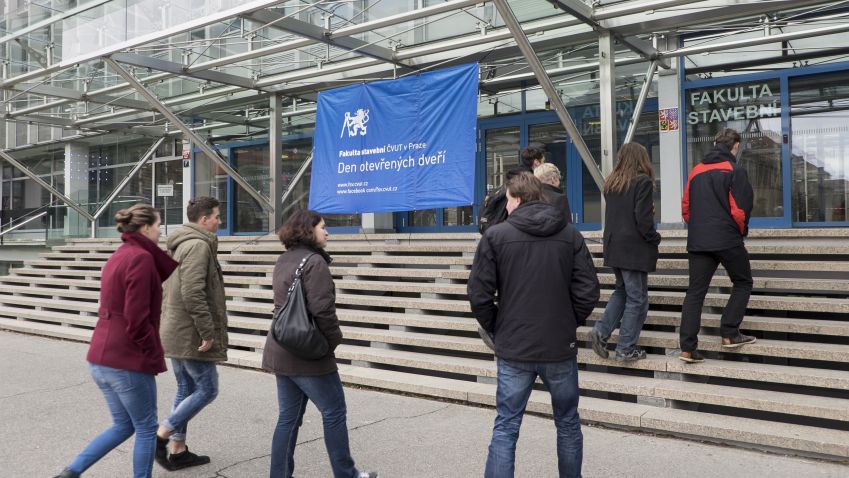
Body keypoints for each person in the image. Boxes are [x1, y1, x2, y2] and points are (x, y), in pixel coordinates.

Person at [467, 172, 600, 478]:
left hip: (515, 346)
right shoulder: (570, 235)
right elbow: (588, 290)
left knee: (506, 426)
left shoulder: (496, 236)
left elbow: (478, 293)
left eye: (509, 201)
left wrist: (497, 327)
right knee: (567, 423)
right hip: (558, 346)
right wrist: (569, 320)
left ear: (518, 199)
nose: (507, 207)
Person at [53, 205, 178, 478]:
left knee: (123, 425)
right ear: (145, 228)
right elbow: (136, 319)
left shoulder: (120, 255)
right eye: (158, 225)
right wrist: (151, 351)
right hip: (126, 359)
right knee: (146, 427)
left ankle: (71, 472)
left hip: (101, 357)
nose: (161, 231)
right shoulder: (142, 258)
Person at [263, 209, 377, 478]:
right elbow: (323, 310)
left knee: (288, 419)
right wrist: (333, 342)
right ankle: (347, 474)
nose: (327, 232)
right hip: (309, 352)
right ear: (308, 230)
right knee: (334, 411)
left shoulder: (284, 259)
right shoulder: (315, 262)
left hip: (282, 346)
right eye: (323, 227)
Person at [155, 197, 227, 470]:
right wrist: (207, 332)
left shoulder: (181, 244)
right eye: (217, 217)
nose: (220, 221)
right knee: (207, 389)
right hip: (190, 331)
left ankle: (178, 449)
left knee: (185, 387)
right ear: (204, 219)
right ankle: (161, 436)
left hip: (176, 327)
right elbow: (192, 292)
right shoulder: (198, 246)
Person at [679, 128, 756, 363]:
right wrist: (740, 231)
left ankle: (687, 348)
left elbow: (686, 208)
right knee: (743, 281)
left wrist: (701, 228)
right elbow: (740, 210)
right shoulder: (734, 170)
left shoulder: (696, 171)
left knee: (695, 292)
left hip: (699, 240)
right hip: (726, 238)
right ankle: (730, 333)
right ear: (734, 146)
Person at [590, 143, 661, 362]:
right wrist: (654, 237)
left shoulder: (612, 183)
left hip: (614, 246)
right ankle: (626, 348)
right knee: (637, 298)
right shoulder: (642, 182)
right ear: (642, 158)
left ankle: (601, 331)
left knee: (622, 291)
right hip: (634, 248)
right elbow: (643, 219)